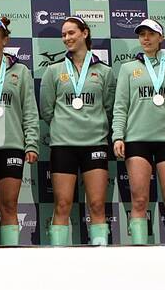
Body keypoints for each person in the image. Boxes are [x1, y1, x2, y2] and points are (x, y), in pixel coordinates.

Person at [39, 16, 116, 246]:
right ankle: (58, 262)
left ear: (84, 33)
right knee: (62, 205)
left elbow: (109, 107)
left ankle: (101, 258)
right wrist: (67, 125)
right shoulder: (53, 71)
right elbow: (47, 109)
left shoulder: (104, 71)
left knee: (97, 205)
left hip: (95, 143)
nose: (67, 38)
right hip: (63, 144)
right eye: (63, 34)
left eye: (71, 33)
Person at [112, 19, 165, 245]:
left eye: (151, 34)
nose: (145, 38)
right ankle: (139, 254)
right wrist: (118, 136)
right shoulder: (127, 69)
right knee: (139, 200)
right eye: (141, 34)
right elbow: (120, 105)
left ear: (161, 38)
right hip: (137, 140)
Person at [0, 18, 39, 246]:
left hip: (12, 144)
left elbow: (30, 110)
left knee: (10, 204)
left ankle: (11, 256)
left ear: (5, 41)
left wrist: (31, 143)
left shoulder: (20, 71)